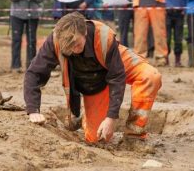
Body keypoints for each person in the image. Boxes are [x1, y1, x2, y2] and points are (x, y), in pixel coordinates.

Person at [24, 12, 162, 144]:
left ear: (85, 32)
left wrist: (111, 117)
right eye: (68, 48)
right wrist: (33, 109)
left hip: (113, 60)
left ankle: (134, 134)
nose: (73, 50)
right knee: (97, 139)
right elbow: (34, 73)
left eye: (77, 44)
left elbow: (116, 77)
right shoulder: (55, 40)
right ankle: (85, 117)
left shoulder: (103, 37)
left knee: (150, 76)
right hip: (94, 82)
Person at [8, 0, 46, 72]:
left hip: (32, 16)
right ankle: (15, 66)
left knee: (32, 41)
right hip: (17, 15)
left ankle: (31, 65)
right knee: (16, 40)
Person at [165, 0, 186, 67]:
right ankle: (166, 59)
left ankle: (178, 60)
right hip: (167, 14)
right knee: (167, 38)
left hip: (179, 14)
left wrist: (184, 10)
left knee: (178, 38)